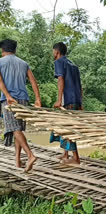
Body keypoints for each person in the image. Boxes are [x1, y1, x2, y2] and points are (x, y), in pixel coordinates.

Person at [0, 39, 41, 172]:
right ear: (15, 50)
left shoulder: (0, 62)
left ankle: (30, 155)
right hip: (23, 99)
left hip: (9, 100)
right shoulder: (24, 63)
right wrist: (38, 99)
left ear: (2, 50)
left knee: (14, 129)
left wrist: (7, 96)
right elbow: (33, 81)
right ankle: (17, 161)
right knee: (18, 129)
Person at [51, 42, 82, 164]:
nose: (53, 53)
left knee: (68, 127)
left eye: (53, 51)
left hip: (67, 99)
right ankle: (65, 153)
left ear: (57, 52)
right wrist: (80, 102)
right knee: (64, 126)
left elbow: (60, 79)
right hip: (75, 99)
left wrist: (59, 100)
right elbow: (80, 86)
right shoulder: (73, 65)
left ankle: (76, 157)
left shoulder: (59, 62)